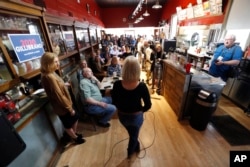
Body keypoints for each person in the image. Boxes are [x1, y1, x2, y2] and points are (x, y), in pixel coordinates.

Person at [111, 56, 152, 159]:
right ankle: (130, 153)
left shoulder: (117, 85)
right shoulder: (142, 86)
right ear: (137, 69)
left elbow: (114, 101)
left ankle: (136, 146)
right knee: (133, 136)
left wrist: (122, 107)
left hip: (122, 116)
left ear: (124, 69)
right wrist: (140, 111)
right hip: (136, 117)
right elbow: (148, 105)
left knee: (132, 134)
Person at [40, 52, 85, 144]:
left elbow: (56, 87)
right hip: (62, 107)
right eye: (55, 62)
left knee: (75, 118)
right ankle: (75, 138)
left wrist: (63, 84)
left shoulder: (51, 73)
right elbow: (58, 95)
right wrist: (69, 108)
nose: (58, 64)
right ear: (48, 63)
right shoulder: (49, 76)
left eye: (58, 61)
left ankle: (73, 134)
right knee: (68, 124)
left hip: (65, 104)